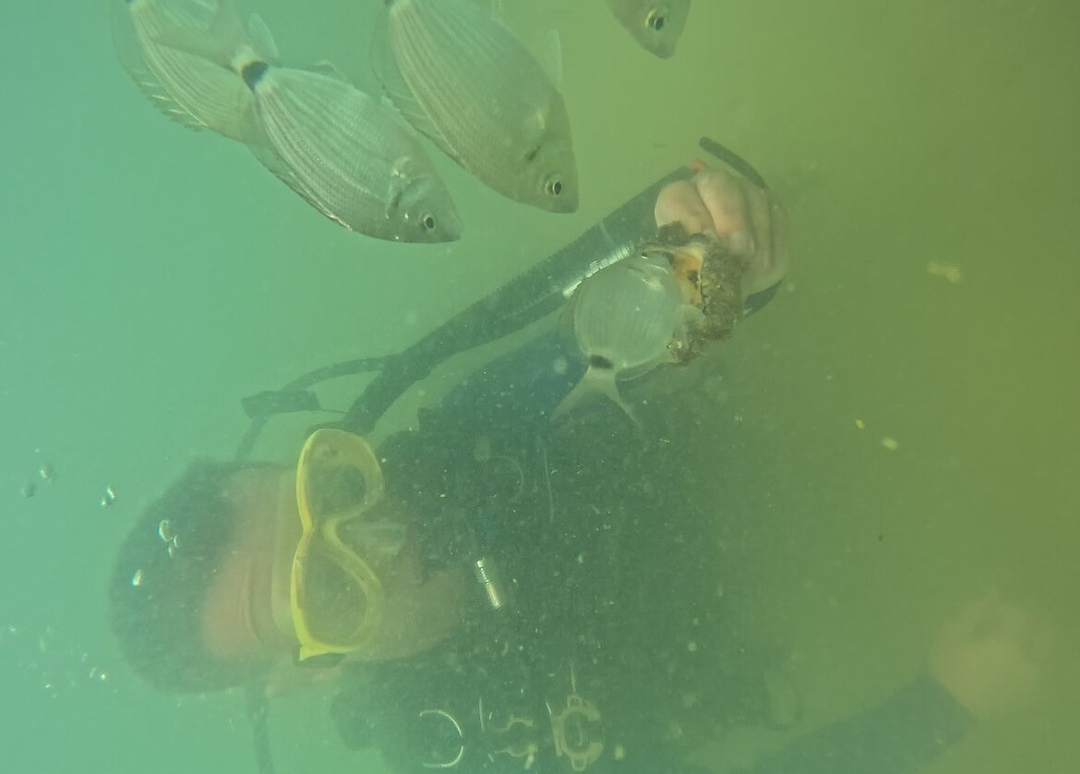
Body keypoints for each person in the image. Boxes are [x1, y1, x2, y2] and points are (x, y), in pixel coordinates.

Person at [108, 147, 1040, 774]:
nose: (383, 534)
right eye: (327, 590)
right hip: (839, 608)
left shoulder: (459, 442)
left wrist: (698, 243)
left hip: (805, 459)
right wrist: (937, 708)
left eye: (335, 491)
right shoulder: (465, 752)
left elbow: (612, 329)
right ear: (304, 674)